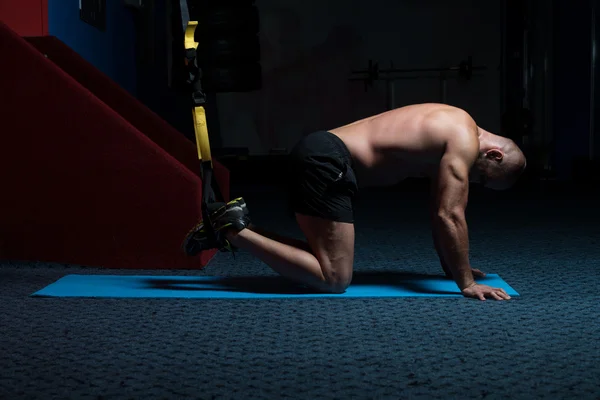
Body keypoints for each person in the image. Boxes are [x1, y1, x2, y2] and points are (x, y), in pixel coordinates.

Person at [183, 103, 527, 301]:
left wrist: (453, 266)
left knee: (323, 261)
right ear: (493, 155)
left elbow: (438, 212)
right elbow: (450, 213)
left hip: (324, 156)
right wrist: (466, 283)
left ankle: (241, 224)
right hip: (328, 162)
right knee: (334, 278)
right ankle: (231, 231)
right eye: (483, 177)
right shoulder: (463, 139)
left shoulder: (454, 122)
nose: (475, 181)